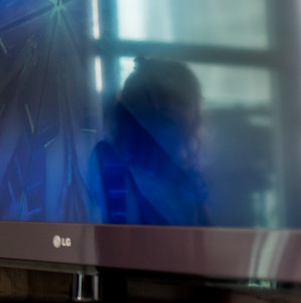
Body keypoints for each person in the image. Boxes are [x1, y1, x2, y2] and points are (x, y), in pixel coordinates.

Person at [88, 57, 211, 226]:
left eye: (182, 102)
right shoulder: (109, 160)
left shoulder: (186, 177)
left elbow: (207, 236)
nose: (170, 110)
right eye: (158, 101)